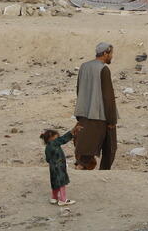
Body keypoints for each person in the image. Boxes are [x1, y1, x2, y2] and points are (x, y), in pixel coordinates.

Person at [74, 42, 118, 171]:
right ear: (105, 53)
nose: (111, 56)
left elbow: (79, 89)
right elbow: (108, 96)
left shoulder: (84, 66)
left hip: (84, 113)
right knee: (110, 148)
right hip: (100, 115)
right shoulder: (103, 69)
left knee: (86, 148)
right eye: (111, 54)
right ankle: (103, 174)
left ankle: (83, 169)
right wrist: (112, 120)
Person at [41, 126, 79, 207]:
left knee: (55, 182)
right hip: (59, 167)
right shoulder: (54, 143)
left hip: (52, 167)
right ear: (50, 138)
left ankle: (54, 198)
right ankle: (63, 199)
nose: (58, 137)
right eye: (56, 136)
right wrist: (72, 131)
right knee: (62, 183)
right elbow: (63, 139)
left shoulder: (47, 147)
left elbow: (48, 159)